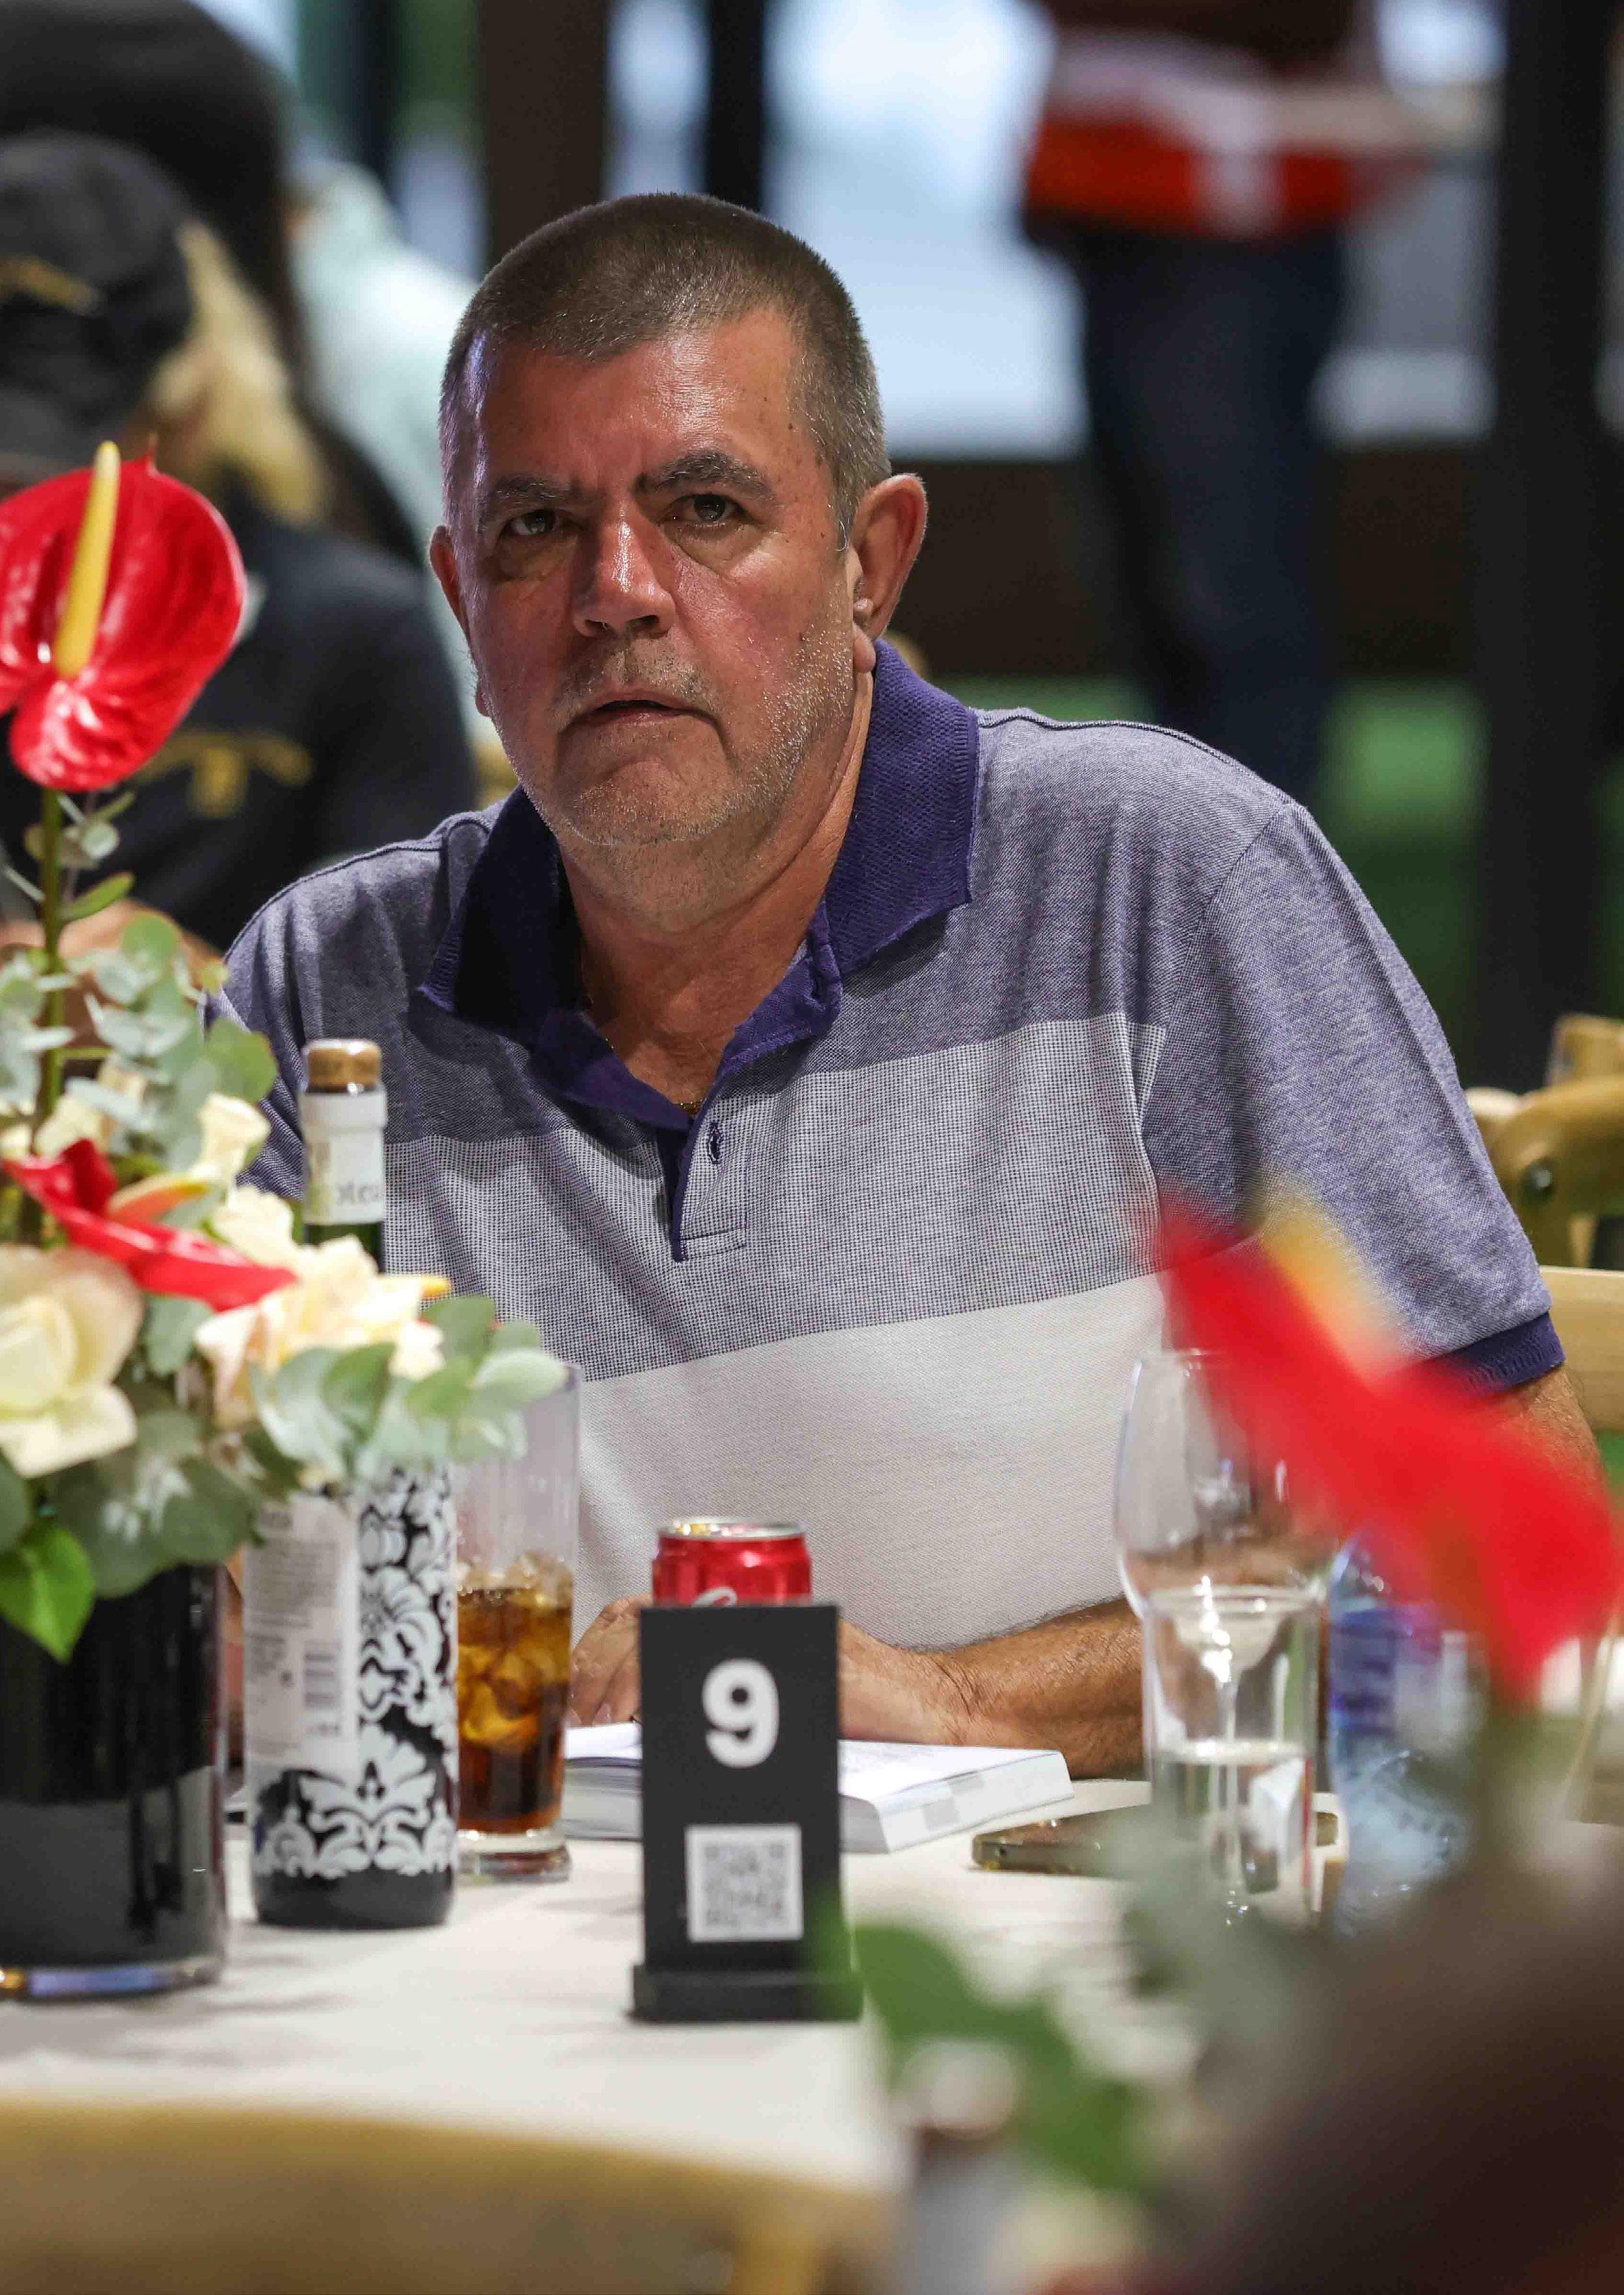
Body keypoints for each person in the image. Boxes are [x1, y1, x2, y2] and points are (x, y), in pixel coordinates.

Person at [218, 194, 1592, 1770]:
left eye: (704, 508)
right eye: (534, 528)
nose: (616, 590)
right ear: (462, 602)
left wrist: (954, 1706)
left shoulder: (1159, 884)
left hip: (1080, 1909)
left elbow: (1508, 1545)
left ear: (870, 564)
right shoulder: (325, 992)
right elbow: (227, 1619)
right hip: (516, 1912)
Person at [0, 130, 476, 953]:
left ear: (184, 394)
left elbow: (412, 956)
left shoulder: (356, 633)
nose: (24, 503)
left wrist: (198, 983)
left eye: (63, 457)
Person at [1026, 1, 1423, 802]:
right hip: (1113, 197)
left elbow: (1309, 21)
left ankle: (1260, 837)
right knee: (1146, 563)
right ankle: (1180, 824)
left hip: (1239, 207)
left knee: (1228, 575)